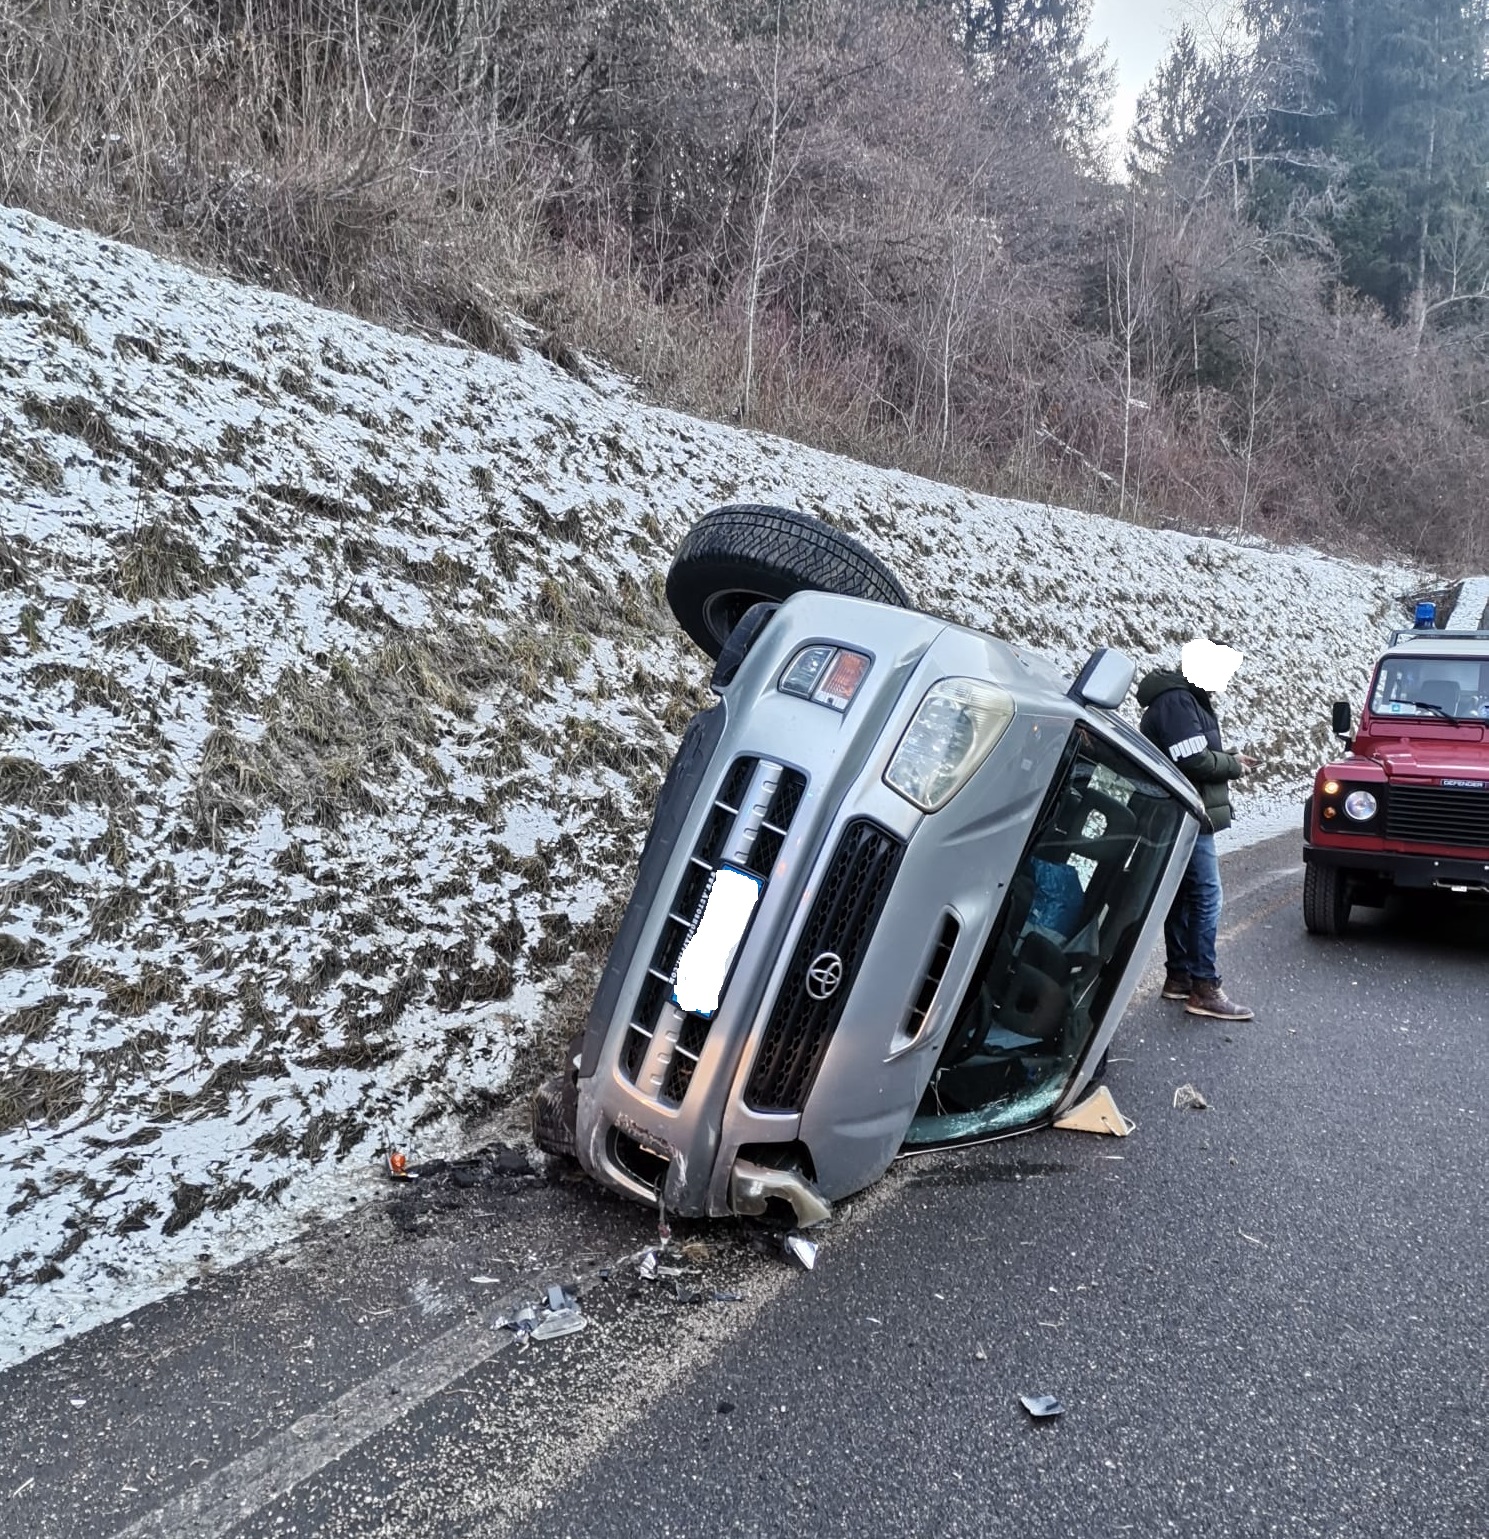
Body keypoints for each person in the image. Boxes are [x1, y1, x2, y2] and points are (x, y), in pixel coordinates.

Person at [1136, 638, 1256, 1022]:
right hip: (1187, 812)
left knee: (1185, 898)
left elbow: (1193, 752)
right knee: (1206, 897)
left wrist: (1229, 757)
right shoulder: (1177, 701)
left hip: (1186, 811)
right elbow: (1192, 759)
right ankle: (1204, 987)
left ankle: (1180, 977)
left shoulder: (1188, 699)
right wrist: (1232, 766)